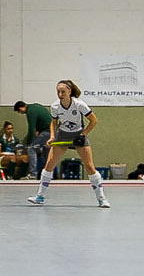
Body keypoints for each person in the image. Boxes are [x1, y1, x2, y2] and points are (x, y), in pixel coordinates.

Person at [28, 79, 109, 207]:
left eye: (63, 92)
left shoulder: (79, 104)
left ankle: (101, 199)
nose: (60, 95)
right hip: (62, 135)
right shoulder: (55, 106)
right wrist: (52, 137)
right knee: (49, 165)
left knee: (89, 167)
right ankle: (40, 196)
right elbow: (53, 122)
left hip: (78, 135)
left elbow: (94, 121)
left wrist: (83, 135)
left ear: (69, 91)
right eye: (58, 92)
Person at [13, 99, 54, 179]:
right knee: (47, 153)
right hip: (52, 131)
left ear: (21, 108)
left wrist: (29, 142)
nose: (21, 113)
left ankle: (33, 174)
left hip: (46, 131)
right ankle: (49, 175)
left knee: (31, 149)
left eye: (20, 112)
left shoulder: (30, 112)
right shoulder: (35, 106)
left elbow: (31, 128)